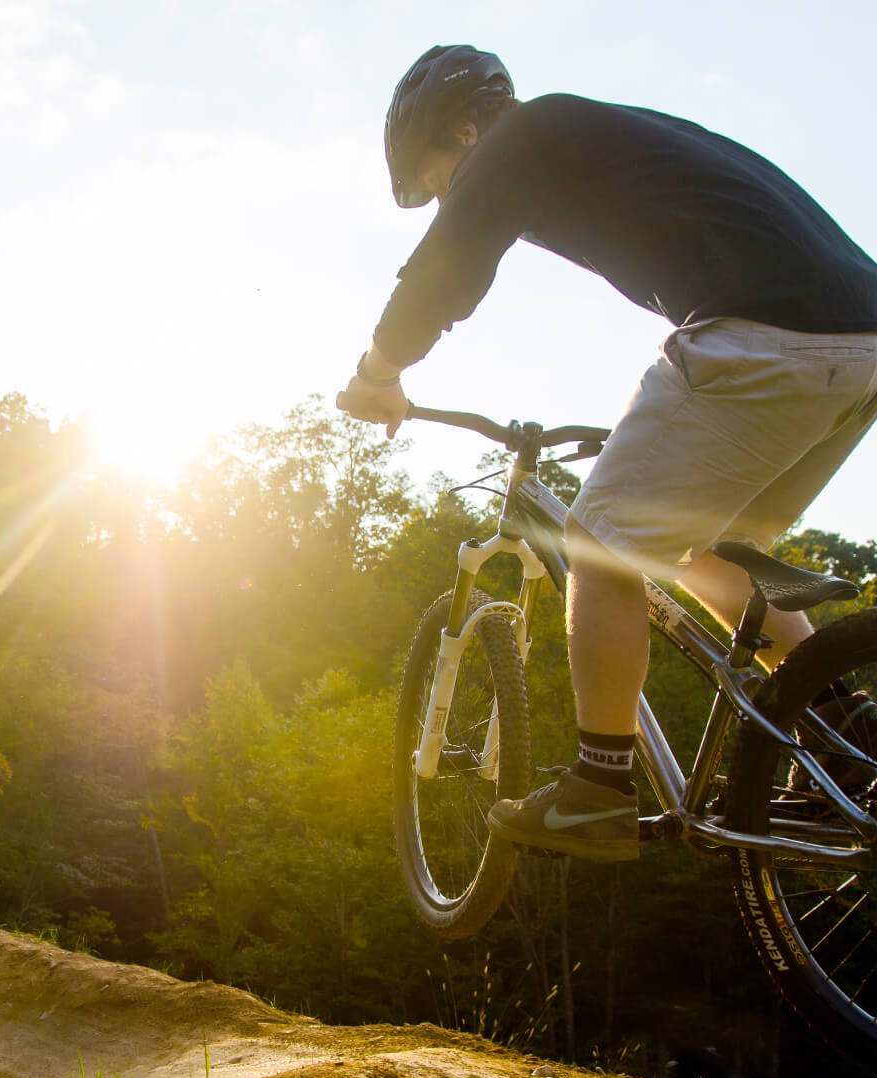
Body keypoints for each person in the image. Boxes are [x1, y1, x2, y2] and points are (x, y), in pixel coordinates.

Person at [337, 45, 877, 862]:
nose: (452, 199)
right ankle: (846, 744)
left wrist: (378, 372)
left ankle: (598, 790)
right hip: (859, 347)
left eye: (440, 179)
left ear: (464, 128)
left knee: (597, 540)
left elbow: (445, 272)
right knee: (720, 559)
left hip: (765, 337)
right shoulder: (610, 137)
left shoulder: (528, 133)